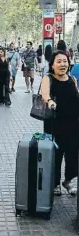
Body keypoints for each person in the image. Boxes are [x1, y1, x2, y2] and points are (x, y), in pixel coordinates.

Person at [41, 51, 79, 196]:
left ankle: (68, 181)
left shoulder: (73, 79)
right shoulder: (48, 78)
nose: (63, 64)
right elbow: (45, 95)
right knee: (55, 154)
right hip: (55, 123)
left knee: (72, 155)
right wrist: (50, 101)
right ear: (52, 65)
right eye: (59, 61)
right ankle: (55, 183)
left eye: (65, 61)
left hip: (73, 124)